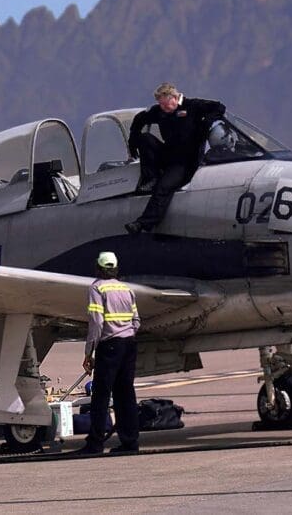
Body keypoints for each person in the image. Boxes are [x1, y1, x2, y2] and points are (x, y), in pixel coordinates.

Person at [125, 82, 226, 233]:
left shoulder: (193, 106)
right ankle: (150, 178)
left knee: (163, 187)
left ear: (174, 97)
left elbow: (219, 107)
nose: (164, 109)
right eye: (161, 105)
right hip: (169, 155)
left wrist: (207, 122)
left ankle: (143, 223)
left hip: (185, 163)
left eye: (166, 105)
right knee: (145, 138)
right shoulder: (160, 111)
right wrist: (133, 140)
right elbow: (140, 118)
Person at [75, 251, 140, 454]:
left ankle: (95, 443)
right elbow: (136, 320)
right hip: (129, 344)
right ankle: (130, 442)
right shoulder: (126, 289)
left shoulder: (97, 288)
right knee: (126, 394)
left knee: (101, 396)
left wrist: (89, 352)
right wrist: (125, 332)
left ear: (98, 268)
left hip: (110, 345)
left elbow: (96, 322)